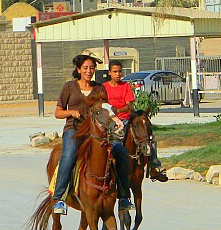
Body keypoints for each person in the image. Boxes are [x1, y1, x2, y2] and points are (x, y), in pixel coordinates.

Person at [52, 54, 134, 215]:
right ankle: (59, 197)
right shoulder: (69, 87)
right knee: (68, 155)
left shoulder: (99, 88)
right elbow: (57, 112)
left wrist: (115, 120)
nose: (89, 71)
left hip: (97, 133)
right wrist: (72, 112)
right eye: (85, 68)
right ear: (78, 70)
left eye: (92, 68)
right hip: (74, 130)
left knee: (121, 152)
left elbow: (106, 109)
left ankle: (124, 197)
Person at [103, 60, 168, 182]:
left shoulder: (126, 86)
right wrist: (112, 114)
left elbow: (130, 106)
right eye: (115, 71)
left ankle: (154, 166)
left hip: (126, 119)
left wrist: (118, 110)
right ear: (109, 72)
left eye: (120, 71)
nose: (118, 74)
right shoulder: (104, 88)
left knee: (148, 137)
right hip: (110, 121)